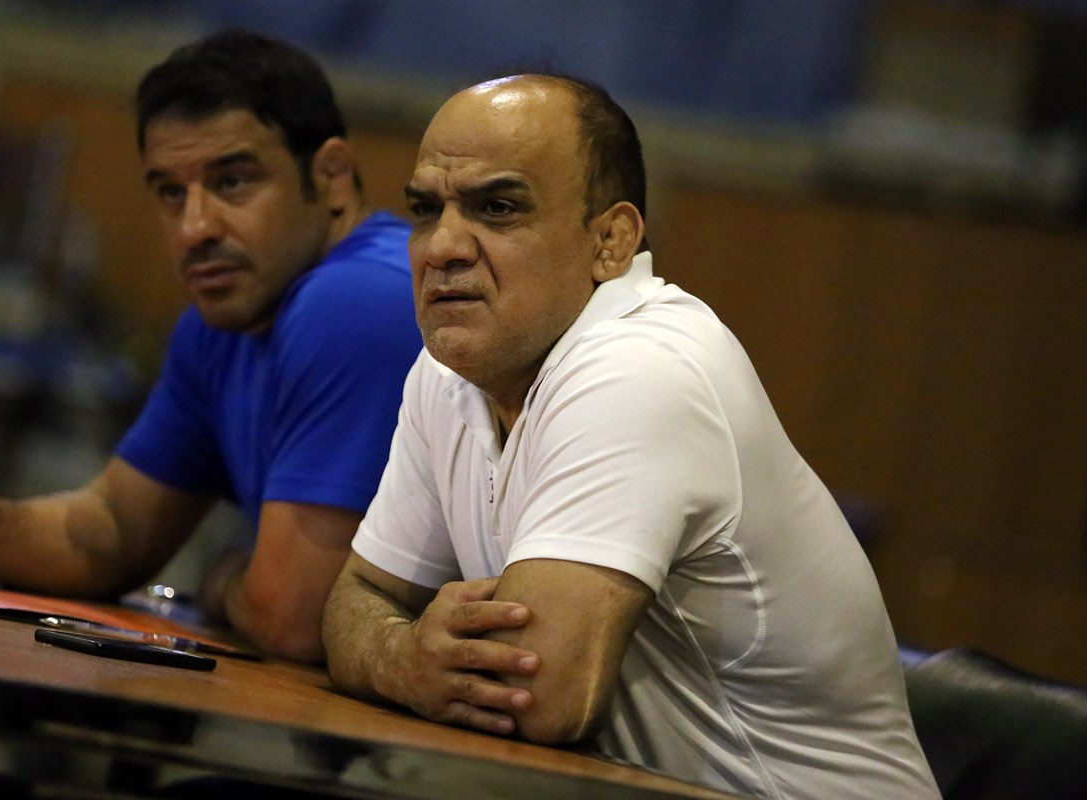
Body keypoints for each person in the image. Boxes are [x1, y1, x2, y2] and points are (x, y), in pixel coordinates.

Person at [320, 74, 942, 799]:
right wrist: (402, 658)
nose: (442, 247)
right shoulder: (449, 370)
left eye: (498, 208)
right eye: (426, 210)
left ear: (611, 242)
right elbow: (351, 600)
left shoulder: (639, 368)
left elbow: (538, 699)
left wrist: (392, 650)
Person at [0, 31, 422, 663]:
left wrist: (223, 578)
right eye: (171, 191)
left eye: (233, 181)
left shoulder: (358, 299)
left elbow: (292, 619)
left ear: (331, 176)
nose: (194, 228)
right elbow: (113, 531)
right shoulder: (222, 323)